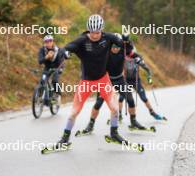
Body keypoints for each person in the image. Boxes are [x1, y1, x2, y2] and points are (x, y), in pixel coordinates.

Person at [45, 14, 134, 149]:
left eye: (97, 32)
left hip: (103, 80)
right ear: (88, 30)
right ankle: (64, 139)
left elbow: (124, 45)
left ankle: (114, 133)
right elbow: (66, 48)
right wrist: (66, 53)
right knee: (74, 112)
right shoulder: (82, 41)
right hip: (86, 82)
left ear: (101, 30)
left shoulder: (108, 37)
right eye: (92, 32)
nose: (95, 35)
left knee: (115, 109)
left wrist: (127, 40)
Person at [81, 33, 151, 134]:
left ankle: (133, 121)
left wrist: (139, 59)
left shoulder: (124, 49)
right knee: (98, 103)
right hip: (106, 81)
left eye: (117, 46)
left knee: (131, 100)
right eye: (113, 46)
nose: (116, 48)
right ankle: (90, 124)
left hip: (119, 80)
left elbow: (134, 53)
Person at [119, 52, 166, 120]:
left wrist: (149, 78)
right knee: (121, 98)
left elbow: (147, 69)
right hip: (126, 81)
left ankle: (152, 112)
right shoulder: (122, 56)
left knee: (144, 98)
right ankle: (119, 115)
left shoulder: (137, 57)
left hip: (136, 81)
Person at [38, 35, 64, 103]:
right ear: (44, 43)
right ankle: (41, 97)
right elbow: (40, 61)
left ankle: (57, 94)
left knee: (54, 81)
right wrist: (46, 57)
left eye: (50, 41)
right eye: (46, 41)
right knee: (42, 81)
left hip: (57, 67)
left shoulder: (58, 50)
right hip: (47, 67)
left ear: (53, 42)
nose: (48, 43)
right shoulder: (42, 50)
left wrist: (60, 69)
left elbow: (62, 61)